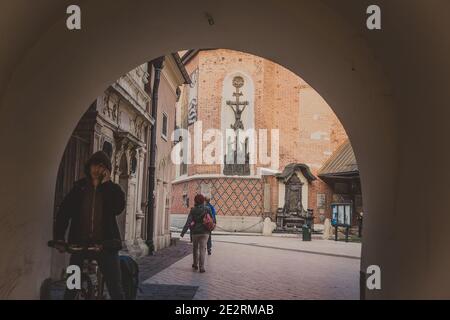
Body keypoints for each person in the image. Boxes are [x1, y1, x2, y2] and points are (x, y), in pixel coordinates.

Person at [53, 151, 126, 300]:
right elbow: (64, 213)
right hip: (79, 244)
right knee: (71, 288)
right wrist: (59, 238)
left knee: (116, 289)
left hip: (106, 245)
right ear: (89, 166)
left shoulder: (113, 189)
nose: (97, 169)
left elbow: (117, 208)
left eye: (101, 166)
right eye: (94, 165)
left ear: (106, 170)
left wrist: (106, 185)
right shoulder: (79, 188)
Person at [180, 194, 213, 273]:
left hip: (195, 232)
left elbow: (188, 221)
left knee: (195, 249)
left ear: (195, 201)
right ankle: (202, 267)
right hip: (205, 232)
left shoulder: (193, 210)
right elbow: (212, 219)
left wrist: (183, 232)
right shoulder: (207, 208)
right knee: (202, 249)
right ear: (203, 200)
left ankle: (195, 264)